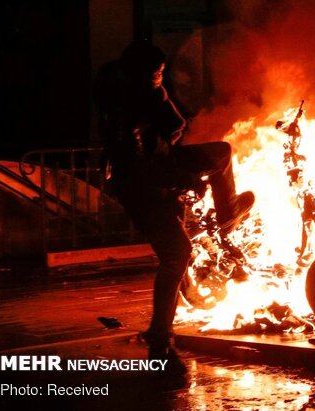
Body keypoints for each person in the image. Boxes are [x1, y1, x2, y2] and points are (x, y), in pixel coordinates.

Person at [93, 40, 254, 375]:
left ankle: (228, 213)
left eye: (162, 72)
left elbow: (174, 127)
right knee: (175, 253)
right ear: (137, 74)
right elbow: (139, 168)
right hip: (143, 187)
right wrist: (183, 179)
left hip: (161, 165)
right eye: (155, 73)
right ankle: (160, 337)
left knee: (221, 153)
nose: (159, 77)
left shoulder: (146, 94)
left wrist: (161, 99)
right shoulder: (125, 113)